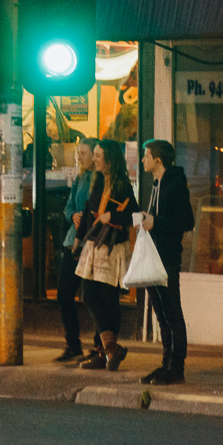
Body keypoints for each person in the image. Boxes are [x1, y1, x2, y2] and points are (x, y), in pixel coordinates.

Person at [73, 139, 134, 371]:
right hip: (93, 244)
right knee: (89, 294)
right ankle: (110, 349)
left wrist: (112, 216)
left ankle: (103, 352)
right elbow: (88, 209)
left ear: (109, 159)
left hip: (111, 246)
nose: (95, 160)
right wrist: (78, 238)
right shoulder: (97, 180)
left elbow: (133, 213)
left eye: (98, 156)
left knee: (108, 299)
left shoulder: (122, 185)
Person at [138, 138, 195, 385]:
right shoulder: (156, 184)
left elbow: (187, 221)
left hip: (167, 258)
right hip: (154, 257)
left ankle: (177, 368)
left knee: (172, 312)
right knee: (161, 314)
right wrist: (146, 219)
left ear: (158, 160)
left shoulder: (175, 184)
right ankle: (166, 365)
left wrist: (156, 222)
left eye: (146, 156)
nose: (143, 160)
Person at [53, 141, 96, 363]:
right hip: (73, 240)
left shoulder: (99, 179)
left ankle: (100, 345)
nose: (79, 157)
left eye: (84, 153)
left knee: (93, 296)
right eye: (78, 153)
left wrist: (84, 216)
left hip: (90, 241)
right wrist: (73, 215)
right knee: (64, 293)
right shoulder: (80, 179)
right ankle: (73, 344)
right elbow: (69, 206)